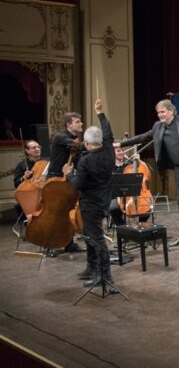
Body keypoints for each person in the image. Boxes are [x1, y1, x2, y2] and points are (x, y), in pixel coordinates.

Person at [115, 99, 179, 248]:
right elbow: (143, 137)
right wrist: (121, 144)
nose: (160, 115)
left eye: (162, 112)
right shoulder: (158, 127)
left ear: (171, 111)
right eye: (158, 113)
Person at [62, 99, 116, 287]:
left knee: (96, 239)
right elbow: (108, 133)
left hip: (91, 205)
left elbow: (77, 185)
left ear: (86, 143)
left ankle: (105, 276)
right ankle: (91, 268)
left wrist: (68, 175)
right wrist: (99, 113)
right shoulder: (109, 150)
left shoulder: (86, 161)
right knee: (89, 235)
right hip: (103, 201)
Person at [46, 111, 85, 254]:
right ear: (69, 125)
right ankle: (49, 245)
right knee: (54, 213)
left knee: (68, 210)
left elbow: (79, 157)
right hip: (55, 179)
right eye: (77, 122)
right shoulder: (60, 136)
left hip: (66, 178)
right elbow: (79, 146)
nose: (81, 124)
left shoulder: (74, 139)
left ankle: (69, 244)